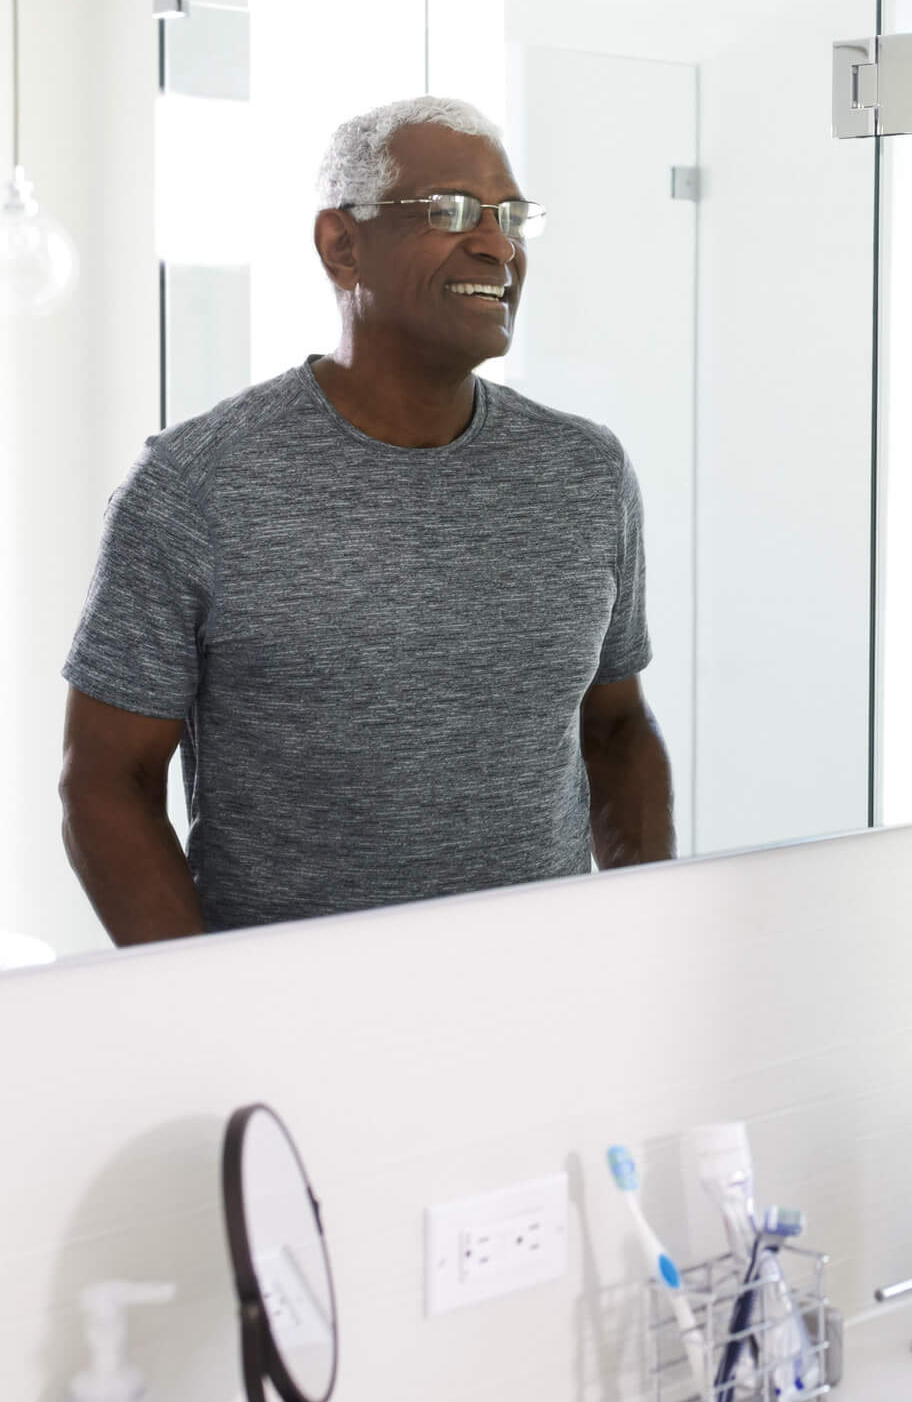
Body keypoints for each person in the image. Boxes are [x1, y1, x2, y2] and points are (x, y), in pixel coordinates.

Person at [60, 96, 674, 944]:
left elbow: (615, 728)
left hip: (545, 995)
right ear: (341, 245)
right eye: (451, 210)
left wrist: (649, 939)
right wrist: (211, 1006)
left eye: (510, 216)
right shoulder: (194, 487)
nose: (497, 244)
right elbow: (105, 784)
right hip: (299, 1021)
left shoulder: (585, 472)